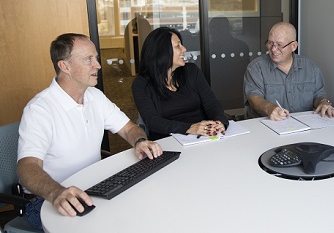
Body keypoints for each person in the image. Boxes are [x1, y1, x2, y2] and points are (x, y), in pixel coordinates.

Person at [17, 33, 162, 230]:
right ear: (64, 66)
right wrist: (56, 193)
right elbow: (27, 167)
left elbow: (128, 128)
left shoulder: (95, 96)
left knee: (142, 212)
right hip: (48, 201)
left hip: (93, 187)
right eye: (88, 60)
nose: (98, 66)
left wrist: (139, 141)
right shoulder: (40, 109)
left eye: (96, 58)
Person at [132, 27, 229, 141]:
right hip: (167, 142)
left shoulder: (191, 71)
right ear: (161, 52)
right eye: (178, 46)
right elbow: (153, 121)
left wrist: (220, 121)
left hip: (203, 137)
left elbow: (211, 103)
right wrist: (189, 128)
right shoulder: (141, 84)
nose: (184, 49)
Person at [244, 22, 334, 121]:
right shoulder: (255, 68)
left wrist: (323, 103)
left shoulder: (311, 68)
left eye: (279, 45)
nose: (273, 49)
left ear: (293, 46)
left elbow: (319, 95)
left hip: (305, 125)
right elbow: (253, 98)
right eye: (270, 42)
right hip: (268, 127)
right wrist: (269, 108)